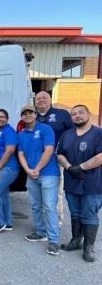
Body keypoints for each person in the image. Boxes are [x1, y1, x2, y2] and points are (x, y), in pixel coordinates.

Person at [57, 105, 102, 262]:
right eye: (74, 114)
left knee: (89, 214)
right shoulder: (66, 135)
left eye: (81, 112)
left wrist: (81, 167)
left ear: (88, 114)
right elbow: (60, 154)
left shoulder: (98, 133)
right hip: (72, 182)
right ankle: (76, 241)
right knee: (75, 213)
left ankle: (88, 248)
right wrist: (69, 167)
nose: (77, 116)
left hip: (92, 183)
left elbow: (100, 156)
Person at [18, 104, 60, 256]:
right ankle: (40, 232)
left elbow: (49, 150)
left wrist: (37, 168)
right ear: (21, 117)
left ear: (36, 114)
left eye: (30, 113)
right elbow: (21, 154)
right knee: (36, 205)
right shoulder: (21, 134)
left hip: (48, 173)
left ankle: (53, 241)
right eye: (24, 113)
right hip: (31, 174)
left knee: (49, 206)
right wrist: (28, 170)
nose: (27, 115)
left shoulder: (45, 129)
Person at [35, 91, 74, 228]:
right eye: (38, 98)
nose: (41, 100)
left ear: (50, 100)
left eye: (44, 98)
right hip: (36, 161)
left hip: (56, 160)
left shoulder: (62, 114)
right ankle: (40, 223)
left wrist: (65, 152)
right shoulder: (31, 116)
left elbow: (73, 134)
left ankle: (56, 222)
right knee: (37, 192)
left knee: (55, 192)